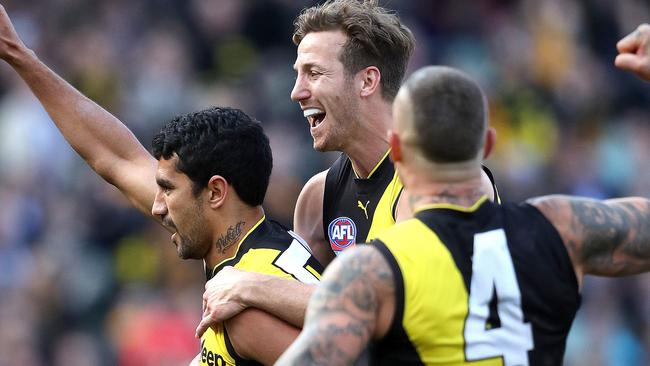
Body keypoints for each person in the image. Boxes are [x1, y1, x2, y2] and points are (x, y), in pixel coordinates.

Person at [276, 25, 650, 365]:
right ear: (488, 145)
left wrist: (254, 290)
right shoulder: (563, 228)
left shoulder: (372, 270)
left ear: (398, 150)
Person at [0, 5, 323, 365]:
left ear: (216, 192)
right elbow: (116, 159)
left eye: (169, 190)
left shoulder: (249, 310)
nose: (156, 206)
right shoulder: (237, 249)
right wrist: (16, 52)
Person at [196, 0, 501, 336]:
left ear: (367, 81)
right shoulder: (317, 197)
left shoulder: (442, 182)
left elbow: (399, 314)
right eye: (297, 74)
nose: (296, 92)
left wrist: (251, 286)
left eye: (313, 73)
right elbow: (317, 325)